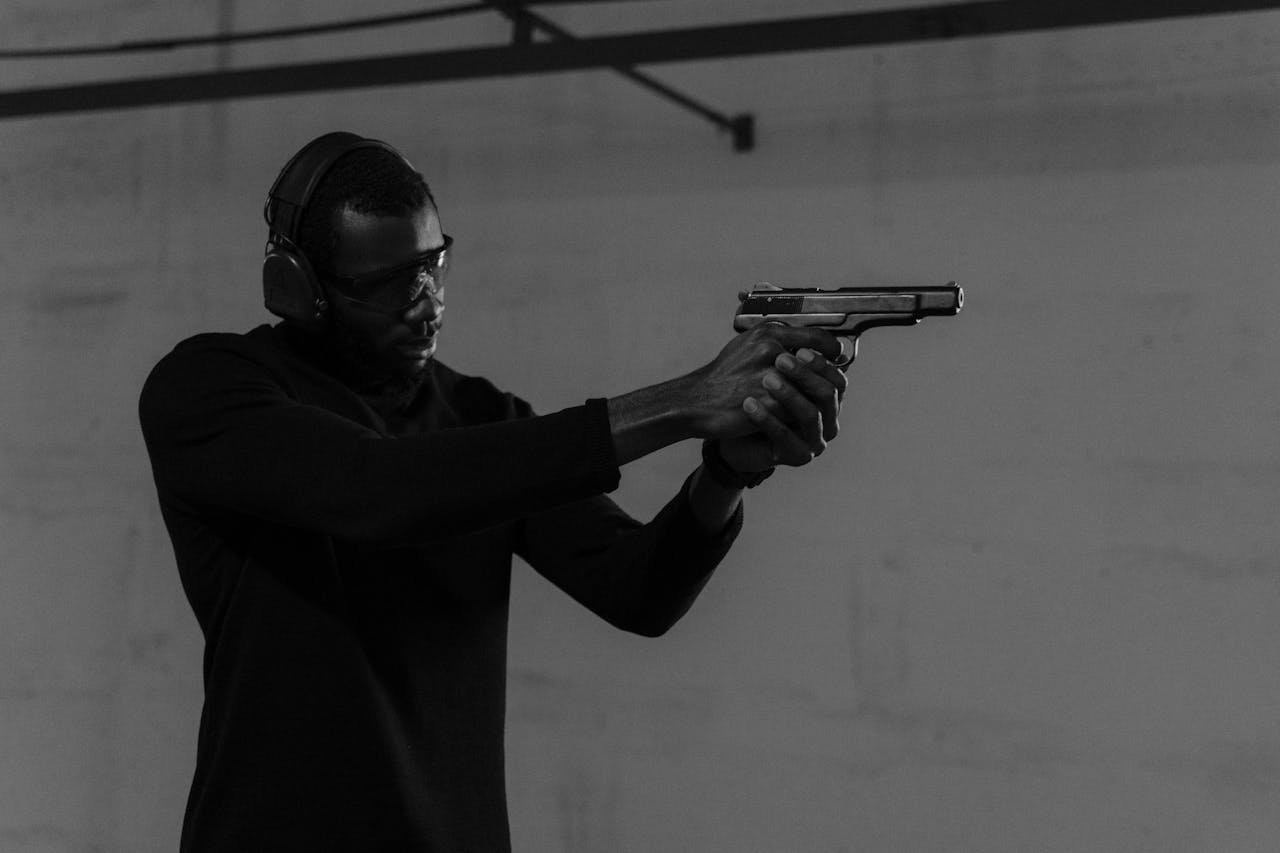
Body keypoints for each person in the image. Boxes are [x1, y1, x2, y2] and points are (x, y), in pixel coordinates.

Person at [139, 131, 848, 852]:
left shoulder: (481, 419)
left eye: (433, 265)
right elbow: (377, 489)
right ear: (300, 288)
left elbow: (637, 590)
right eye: (389, 282)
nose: (427, 302)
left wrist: (724, 473)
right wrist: (684, 400)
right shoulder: (210, 390)